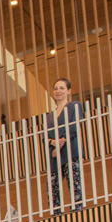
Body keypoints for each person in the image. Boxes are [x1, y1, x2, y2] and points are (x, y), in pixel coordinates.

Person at [45, 77, 85, 210]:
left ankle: (77, 211)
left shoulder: (74, 106)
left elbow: (74, 127)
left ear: (69, 91)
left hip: (70, 151)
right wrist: (53, 142)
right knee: (52, 188)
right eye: (56, 88)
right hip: (55, 155)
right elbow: (45, 137)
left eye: (62, 88)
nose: (58, 91)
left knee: (74, 184)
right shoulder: (49, 116)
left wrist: (60, 143)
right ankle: (56, 214)